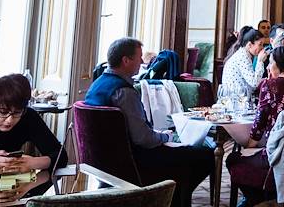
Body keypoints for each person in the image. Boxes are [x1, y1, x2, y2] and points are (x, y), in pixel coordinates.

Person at [84, 38, 212, 207]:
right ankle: (172, 198)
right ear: (126, 60)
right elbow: (142, 138)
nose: (142, 62)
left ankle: (172, 196)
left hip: (104, 161)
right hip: (133, 162)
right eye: (139, 57)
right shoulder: (124, 93)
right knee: (204, 155)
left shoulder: (97, 85)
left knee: (188, 157)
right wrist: (166, 137)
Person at [227, 46, 284, 206]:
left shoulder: (270, 86)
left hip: (276, 151)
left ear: (279, 64)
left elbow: (259, 123)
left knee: (233, 159)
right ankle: (282, 197)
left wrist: (249, 146)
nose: (268, 66)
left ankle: (257, 199)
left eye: (271, 62)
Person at [223, 28, 271, 98]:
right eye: (260, 44)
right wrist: (260, 61)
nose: (262, 48)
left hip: (240, 99)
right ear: (250, 45)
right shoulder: (242, 57)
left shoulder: (244, 54)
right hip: (236, 101)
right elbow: (254, 83)